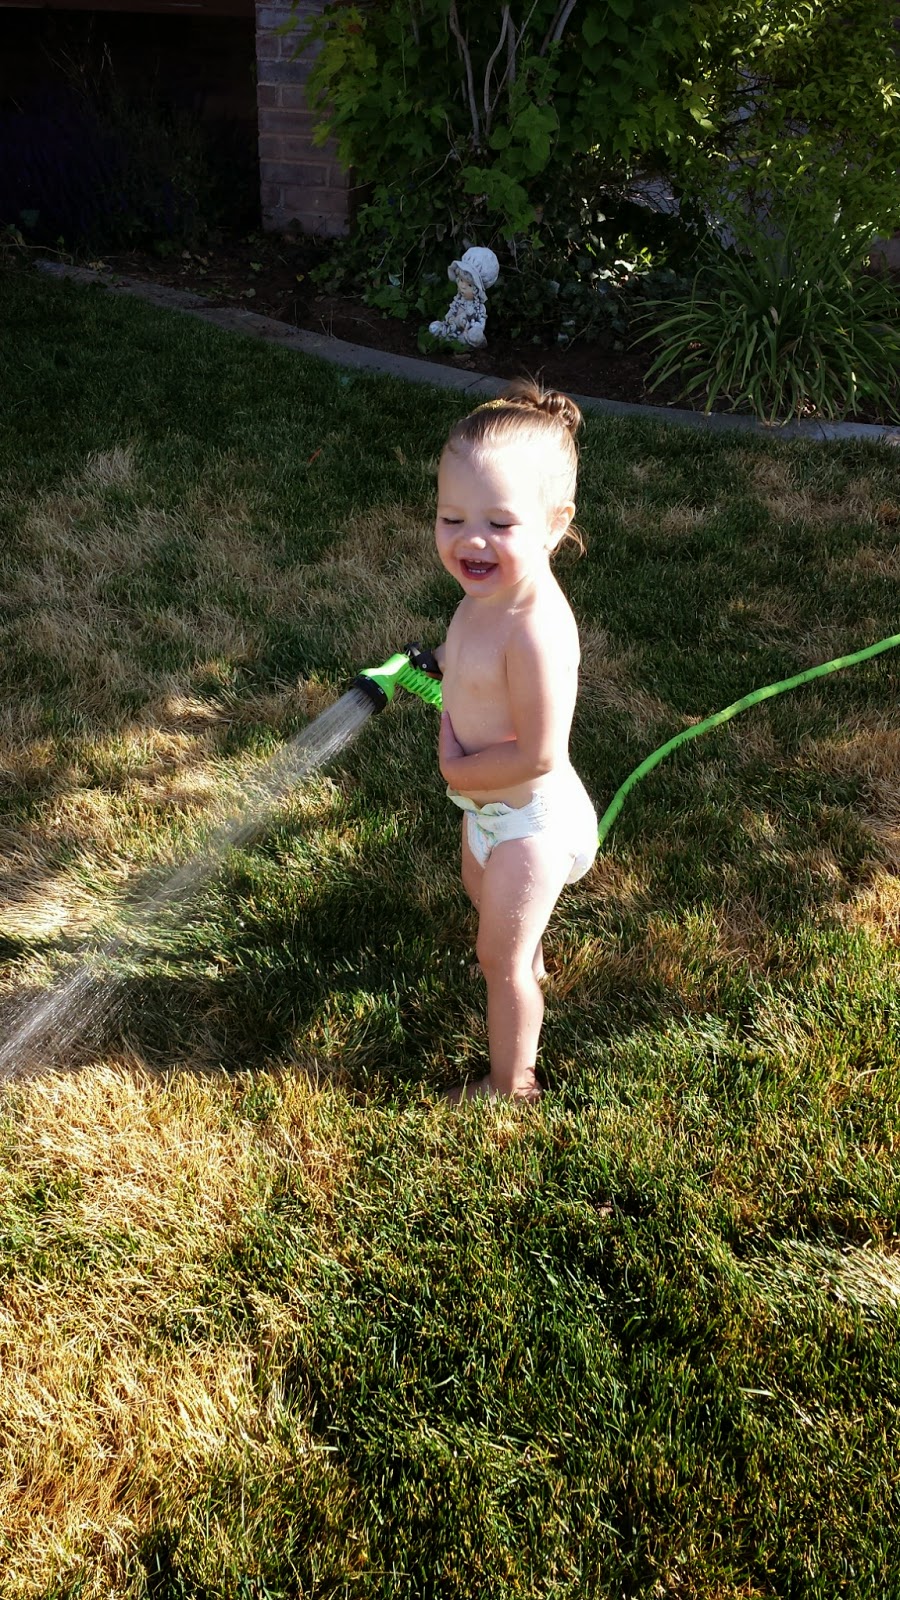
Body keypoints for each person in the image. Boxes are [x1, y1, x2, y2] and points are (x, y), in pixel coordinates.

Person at [432, 380, 597, 1103]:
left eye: (500, 522)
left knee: (498, 962)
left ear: (555, 526)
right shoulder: (485, 596)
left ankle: (512, 1086)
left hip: (533, 820)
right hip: (489, 810)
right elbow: (468, 665)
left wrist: (455, 769)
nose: (471, 539)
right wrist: (439, 667)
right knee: (491, 917)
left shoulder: (535, 630)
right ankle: (523, 951)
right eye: (452, 517)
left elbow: (538, 755)